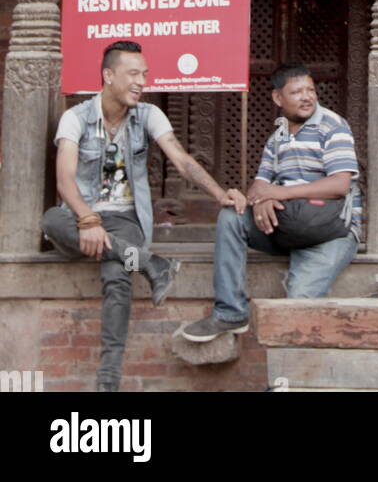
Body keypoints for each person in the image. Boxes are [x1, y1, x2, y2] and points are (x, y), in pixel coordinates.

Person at [42, 40, 246, 392]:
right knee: (51, 221)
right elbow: (64, 179)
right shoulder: (75, 119)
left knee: (117, 276)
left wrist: (218, 194)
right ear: (108, 75)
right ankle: (152, 264)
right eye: (133, 73)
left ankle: (108, 381)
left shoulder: (149, 115)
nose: (141, 81)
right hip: (81, 216)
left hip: (125, 220)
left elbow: (181, 160)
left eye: (145, 75)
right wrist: (88, 220)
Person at [181, 64, 362, 341]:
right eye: (297, 91)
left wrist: (278, 194)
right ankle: (230, 313)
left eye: (310, 90)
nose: (307, 97)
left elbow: (339, 185)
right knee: (231, 217)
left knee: (297, 306)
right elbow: (260, 184)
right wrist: (261, 198)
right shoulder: (277, 137)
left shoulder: (332, 126)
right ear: (278, 98)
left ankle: (290, 384)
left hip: (330, 233)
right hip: (289, 225)